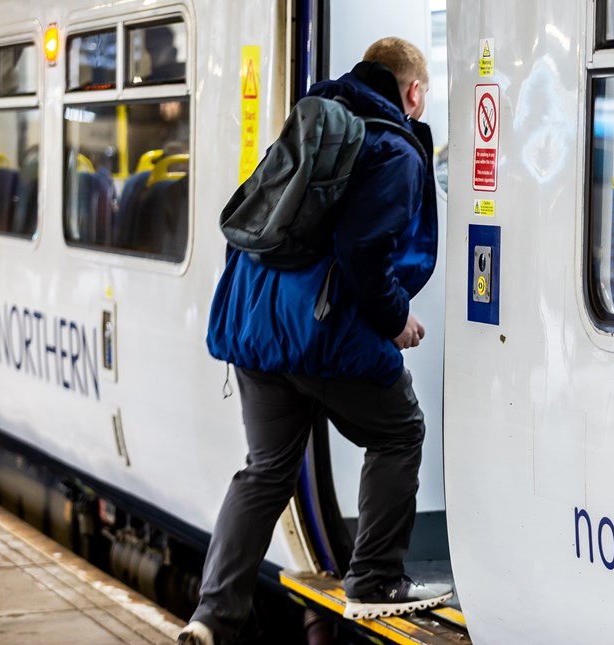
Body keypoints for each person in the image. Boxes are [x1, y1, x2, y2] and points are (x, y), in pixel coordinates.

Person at [178, 37, 451, 645]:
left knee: (267, 469)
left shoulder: (311, 117)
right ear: (412, 91)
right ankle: (376, 580)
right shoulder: (394, 148)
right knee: (399, 431)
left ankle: (211, 618)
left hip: (255, 322)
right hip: (322, 332)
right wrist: (395, 320)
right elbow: (363, 255)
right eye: (425, 94)